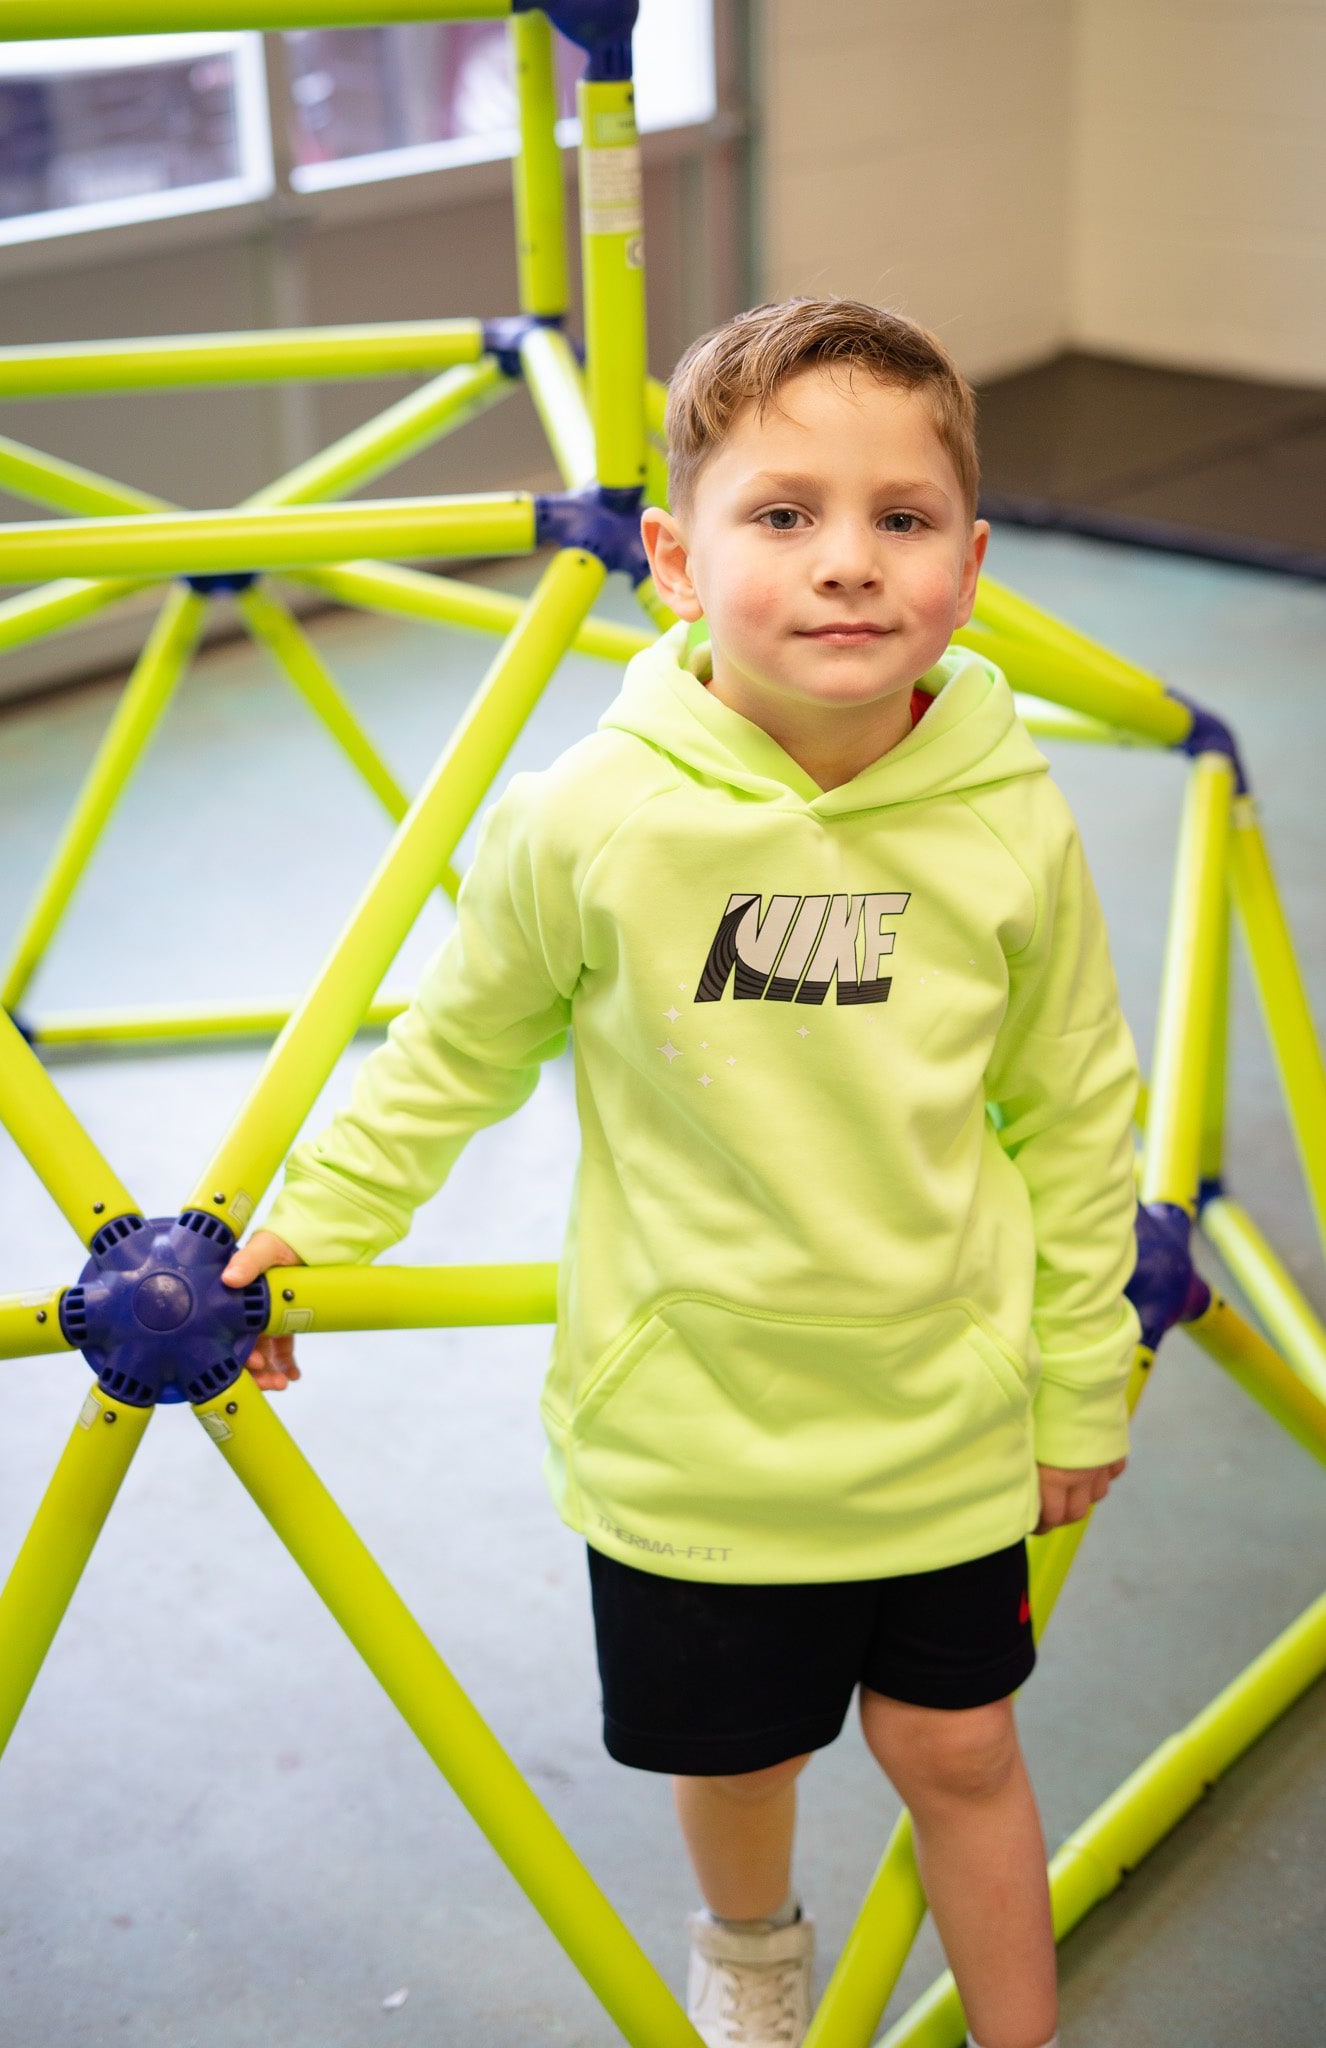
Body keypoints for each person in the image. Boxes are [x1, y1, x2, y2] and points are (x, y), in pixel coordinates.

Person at [222, 296, 1140, 2048]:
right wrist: (306, 1226)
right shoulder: (589, 818)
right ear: (671, 556)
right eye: (782, 515)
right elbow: (455, 1046)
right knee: (739, 1760)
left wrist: (1077, 1382)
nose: (849, 564)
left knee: (960, 1746)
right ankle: (754, 1964)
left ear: (972, 556)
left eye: (902, 519)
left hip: (939, 1407)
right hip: (691, 1425)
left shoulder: (1009, 812)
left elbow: (1080, 1108)